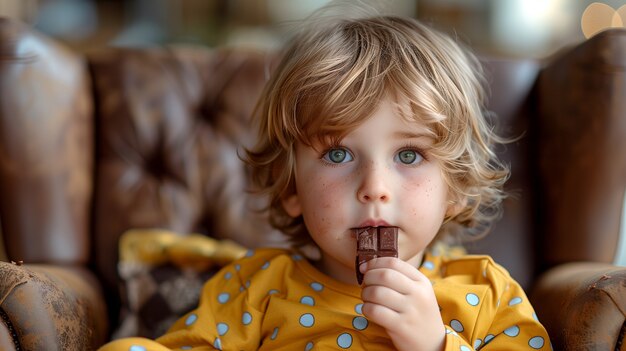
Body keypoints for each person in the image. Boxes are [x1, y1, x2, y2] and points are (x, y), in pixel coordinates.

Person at [100, 5, 551, 351]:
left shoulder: (486, 292)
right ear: (292, 186)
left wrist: (436, 343)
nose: (375, 186)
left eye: (409, 154)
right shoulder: (253, 290)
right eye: (338, 153)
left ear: (454, 188)